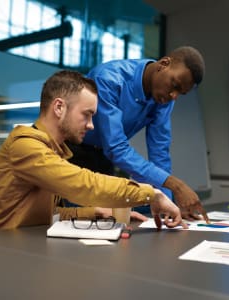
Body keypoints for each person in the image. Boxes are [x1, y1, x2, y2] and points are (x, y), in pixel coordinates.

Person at [0, 70, 186, 232]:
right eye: (86, 115)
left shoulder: (56, 151)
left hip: (25, 245)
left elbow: (49, 215)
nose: (91, 125)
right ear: (59, 108)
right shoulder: (25, 146)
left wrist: (95, 212)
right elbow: (84, 184)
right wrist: (152, 194)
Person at [67, 46, 210, 222]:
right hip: (72, 152)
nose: (174, 96)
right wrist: (176, 185)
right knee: (75, 219)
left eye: (181, 93)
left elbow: (160, 154)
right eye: (175, 86)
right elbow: (116, 148)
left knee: (106, 222)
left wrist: (169, 206)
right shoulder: (108, 79)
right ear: (164, 64)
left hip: (103, 157)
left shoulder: (164, 100)